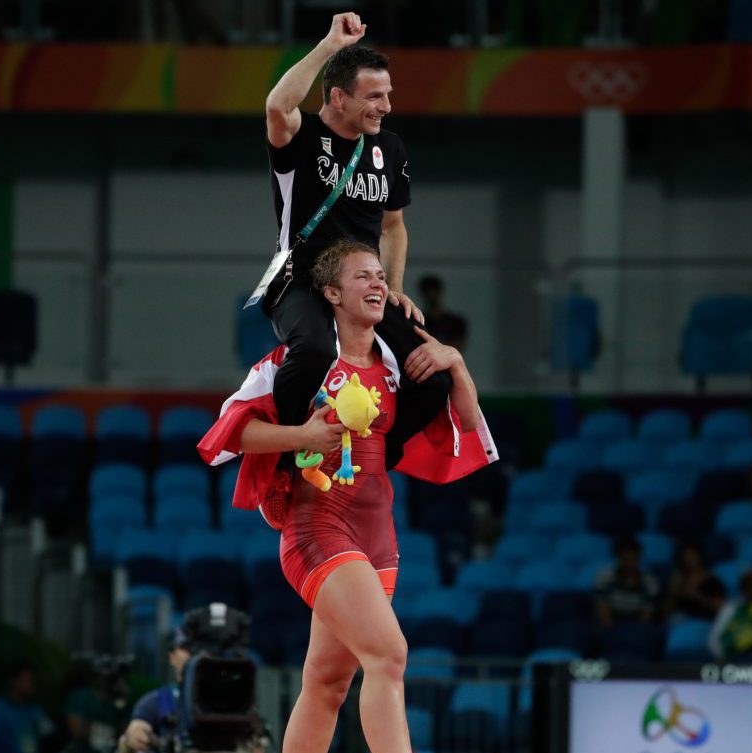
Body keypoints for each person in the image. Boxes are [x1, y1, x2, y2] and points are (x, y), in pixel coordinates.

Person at [199, 241, 490, 753]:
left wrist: (457, 365)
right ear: (331, 292)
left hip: (379, 539)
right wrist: (302, 438)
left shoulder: (399, 365)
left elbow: (465, 425)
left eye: (382, 276)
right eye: (363, 277)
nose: (379, 284)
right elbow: (229, 433)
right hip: (317, 531)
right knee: (390, 655)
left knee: (327, 684)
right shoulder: (299, 360)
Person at [257, 12, 452, 523]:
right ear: (338, 97)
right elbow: (278, 104)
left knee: (431, 379)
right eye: (374, 96)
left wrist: (395, 287)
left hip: (363, 286)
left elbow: (392, 227)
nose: (386, 107)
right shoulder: (301, 139)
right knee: (317, 348)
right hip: (299, 280)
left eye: (388, 95)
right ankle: (284, 466)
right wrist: (328, 45)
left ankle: (378, 455)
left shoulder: (389, 147)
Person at [117, 629, 191, 753]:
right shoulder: (157, 701)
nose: (192, 654)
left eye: (197, 648)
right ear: (172, 657)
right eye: (186, 648)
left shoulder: (227, 701)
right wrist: (133, 737)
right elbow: (138, 728)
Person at [0, 661, 53, 753]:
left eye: (32, 680)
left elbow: (49, 735)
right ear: (13, 681)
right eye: (26, 679)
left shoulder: (36, 710)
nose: (31, 684)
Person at [594, 537, 660, 627]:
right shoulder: (605, 577)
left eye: (633, 558)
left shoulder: (649, 581)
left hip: (636, 625)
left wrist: (637, 633)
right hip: (612, 623)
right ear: (619, 558)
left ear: (639, 558)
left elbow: (646, 615)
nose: (629, 563)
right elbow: (603, 610)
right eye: (625, 558)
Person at [662, 541, 724, 621]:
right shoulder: (678, 581)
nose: (689, 559)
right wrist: (673, 592)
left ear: (700, 556)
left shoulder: (712, 580)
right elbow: (666, 613)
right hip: (680, 624)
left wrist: (697, 596)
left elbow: (721, 609)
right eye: (686, 556)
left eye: (692, 555)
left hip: (706, 623)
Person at [417, 275, 468, 351]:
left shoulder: (456, 321)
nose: (432, 295)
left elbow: (458, 345)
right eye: (429, 291)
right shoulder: (419, 321)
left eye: (434, 291)